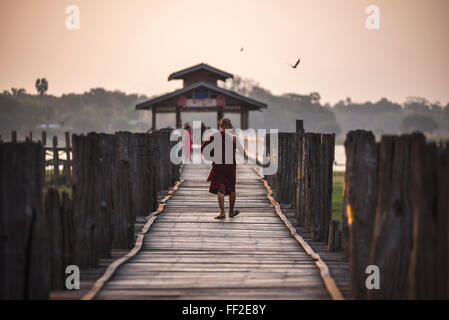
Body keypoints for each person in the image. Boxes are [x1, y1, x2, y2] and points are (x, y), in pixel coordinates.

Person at [201, 117, 241, 219]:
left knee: (220, 187)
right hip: (230, 166)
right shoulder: (234, 138)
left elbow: (204, 148)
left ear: (221, 126)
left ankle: (222, 212)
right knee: (232, 188)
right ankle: (231, 212)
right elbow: (242, 151)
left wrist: (212, 155)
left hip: (218, 164)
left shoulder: (215, 136)